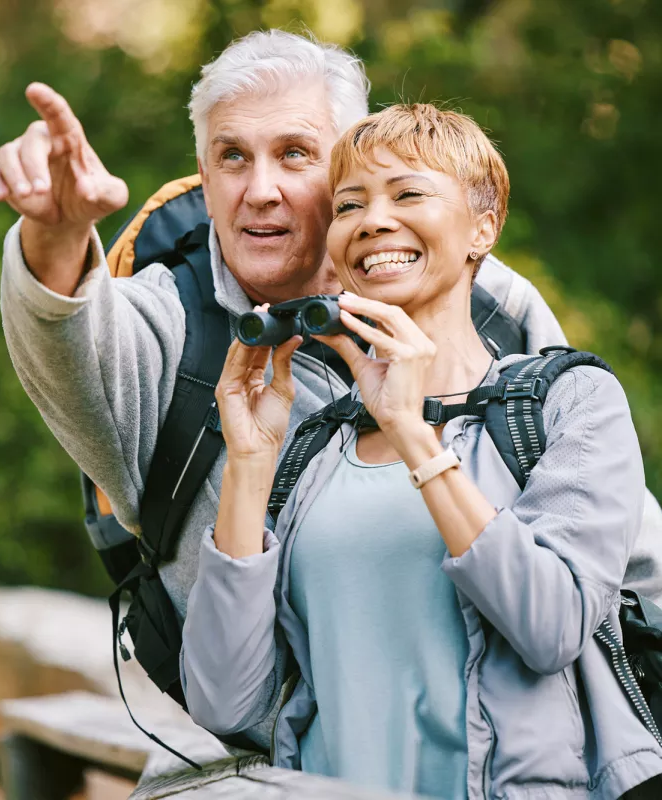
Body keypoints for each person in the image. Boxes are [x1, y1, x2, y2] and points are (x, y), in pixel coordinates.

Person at [0, 29, 662, 751]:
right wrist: (55, 234)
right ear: (204, 178)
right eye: (232, 157)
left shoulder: (488, 301)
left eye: (295, 154)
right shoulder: (165, 331)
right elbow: (67, 338)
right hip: (306, 767)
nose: (260, 189)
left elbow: (620, 542)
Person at [180, 103, 662, 799]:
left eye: (408, 193)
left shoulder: (569, 402)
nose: (374, 220)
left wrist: (411, 432)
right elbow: (224, 704)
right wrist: (250, 468)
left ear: (483, 227)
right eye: (349, 205)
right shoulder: (316, 450)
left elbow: (551, 626)